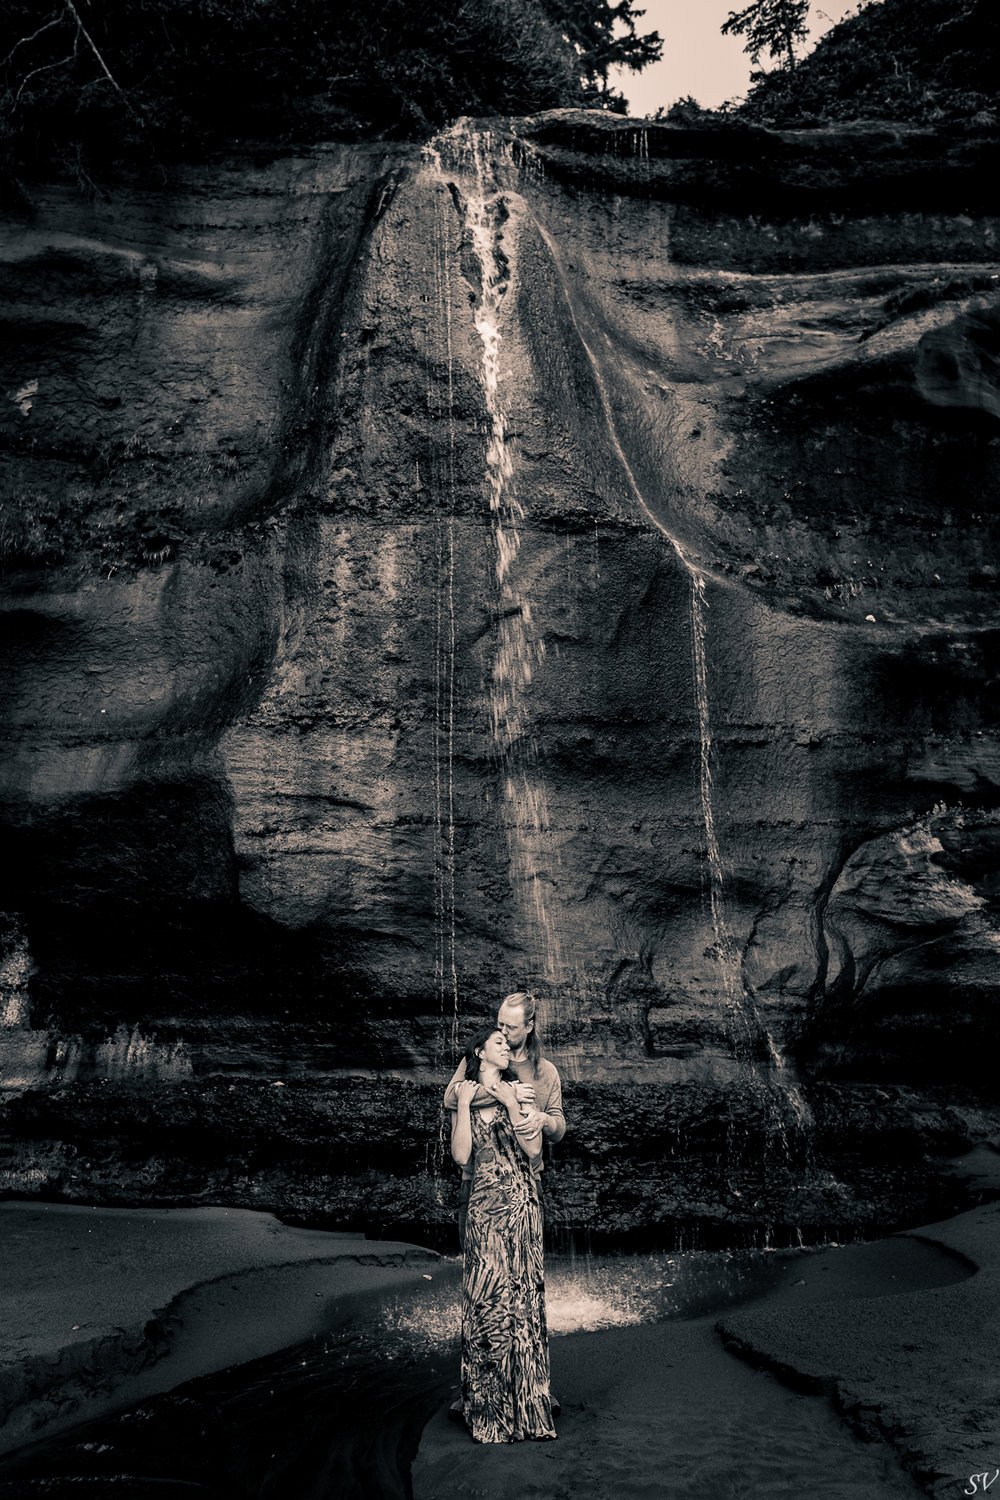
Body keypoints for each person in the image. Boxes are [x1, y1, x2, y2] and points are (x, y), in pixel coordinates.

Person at [450, 1025, 556, 1443]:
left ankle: (528, 1407)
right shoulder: (467, 1097)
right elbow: (461, 1156)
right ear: (479, 1051)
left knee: (523, 1303)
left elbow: (533, 1151)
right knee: (485, 1304)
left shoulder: (522, 1090)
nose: (507, 1045)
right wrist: (462, 1103)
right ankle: (489, 1409)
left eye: (507, 1041)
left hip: (522, 1209)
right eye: (498, 1041)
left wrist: (513, 1104)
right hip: (484, 1213)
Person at [442, 991, 566, 1248]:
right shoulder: (479, 1058)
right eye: (500, 1024)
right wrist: (508, 1093)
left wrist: (543, 1119)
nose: (503, 1032)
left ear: (529, 1026)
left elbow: (558, 1129)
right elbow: (452, 1099)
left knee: (523, 1273)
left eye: (511, 1027)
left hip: (527, 1183)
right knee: (480, 1274)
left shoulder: (546, 1072)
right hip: (474, 1183)